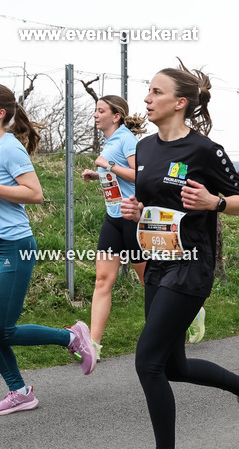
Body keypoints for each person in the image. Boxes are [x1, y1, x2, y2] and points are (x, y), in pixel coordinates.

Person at [120, 60, 239, 449]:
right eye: (147, 90)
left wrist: (213, 203)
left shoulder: (204, 150)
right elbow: (153, 205)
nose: (146, 98)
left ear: (180, 103)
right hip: (157, 262)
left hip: (191, 265)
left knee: (147, 361)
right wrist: (136, 211)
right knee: (173, 366)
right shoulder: (145, 149)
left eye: (155, 92)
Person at [0, 84, 96, 416]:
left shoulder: (10, 147)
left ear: (0, 113)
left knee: (3, 330)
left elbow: (34, 193)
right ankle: (20, 392)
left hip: (14, 246)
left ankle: (71, 338)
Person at [79, 95, 147, 358]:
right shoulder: (110, 141)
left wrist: (109, 165)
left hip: (132, 217)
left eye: (100, 110)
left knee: (148, 280)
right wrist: (98, 174)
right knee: (103, 280)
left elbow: (140, 175)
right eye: (95, 110)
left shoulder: (127, 139)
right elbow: (117, 175)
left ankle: (191, 313)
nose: (95, 115)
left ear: (116, 116)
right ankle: (93, 345)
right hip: (112, 218)